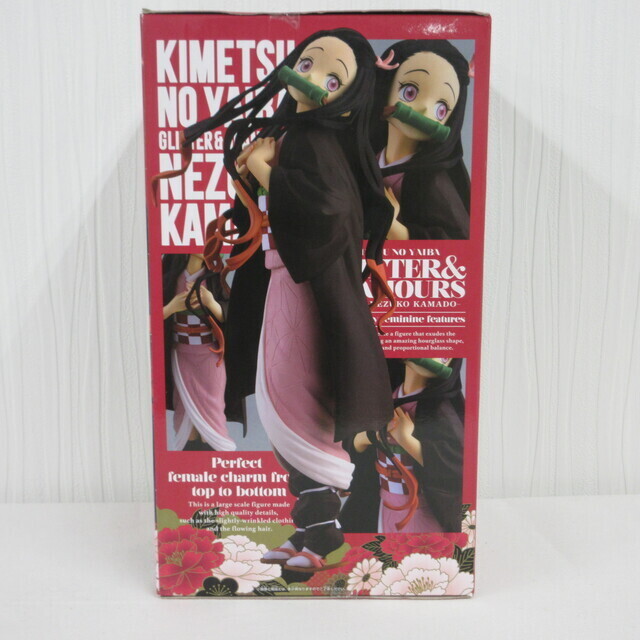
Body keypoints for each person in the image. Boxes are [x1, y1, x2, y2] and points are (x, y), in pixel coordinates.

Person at [152, 28, 395, 572]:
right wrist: (254, 173)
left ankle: (322, 536)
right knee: (279, 402)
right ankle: (310, 529)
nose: (312, 78)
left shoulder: (318, 141)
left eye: (332, 78)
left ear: (348, 94)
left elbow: (330, 212)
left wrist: (265, 171)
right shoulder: (295, 134)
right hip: (282, 278)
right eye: (308, 63)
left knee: (298, 407)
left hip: (307, 286)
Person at [340, 358, 465, 533]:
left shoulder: (438, 408)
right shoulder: (383, 398)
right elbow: (352, 443)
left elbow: (455, 466)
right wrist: (364, 438)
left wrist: (406, 440)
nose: (434, 356)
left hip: (421, 509)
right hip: (382, 502)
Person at [372, 39, 472, 240]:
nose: (425, 110)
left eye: (441, 109)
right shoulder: (367, 159)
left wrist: (393, 227)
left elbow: (455, 243)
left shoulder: (432, 182)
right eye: (409, 92)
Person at [162, 253, 235, 452]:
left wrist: (211, 303)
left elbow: (230, 314)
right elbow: (151, 313)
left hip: (210, 354)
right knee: (183, 410)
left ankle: (213, 454)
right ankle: (189, 456)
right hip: (181, 355)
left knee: (212, 408)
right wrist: (171, 307)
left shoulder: (214, 276)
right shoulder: (170, 275)